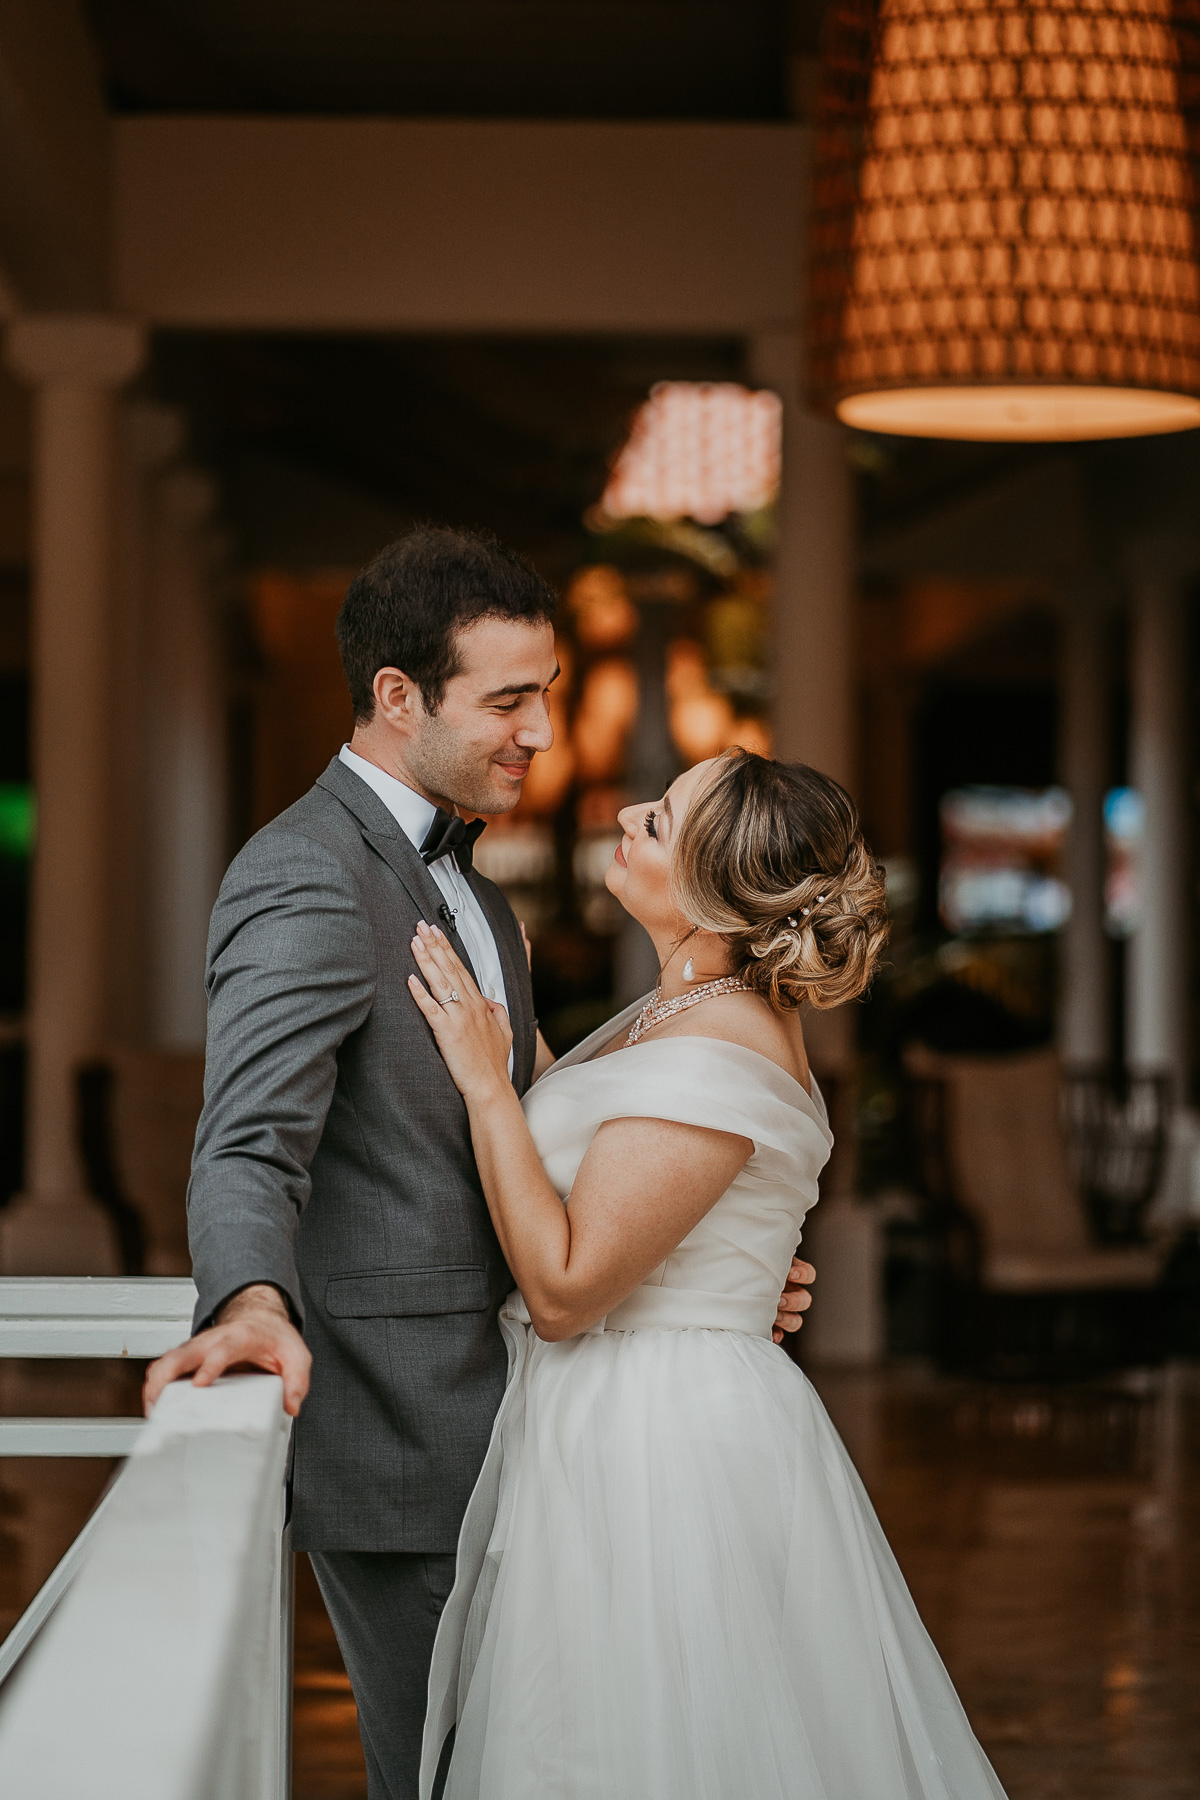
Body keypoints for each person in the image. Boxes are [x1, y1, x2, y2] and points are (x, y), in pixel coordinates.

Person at [143, 526, 813, 1800]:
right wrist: (245, 1299)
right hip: (409, 1434)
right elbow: (249, 1138)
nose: (542, 735)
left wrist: (699, 1263)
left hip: (539, 1424)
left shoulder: (478, 889)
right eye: (507, 701)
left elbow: (567, 1134)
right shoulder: (305, 874)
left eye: (545, 696)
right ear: (399, 698)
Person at [408, 748, 1009, 1800]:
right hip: (611, 1414)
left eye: (668, 812)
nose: (635, 809)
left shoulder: (718, 1043)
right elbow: (604, 1158)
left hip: (657, 1444)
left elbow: (562, 1288)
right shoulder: (672, 1017)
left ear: (717, 886)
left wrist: (481, 1085)